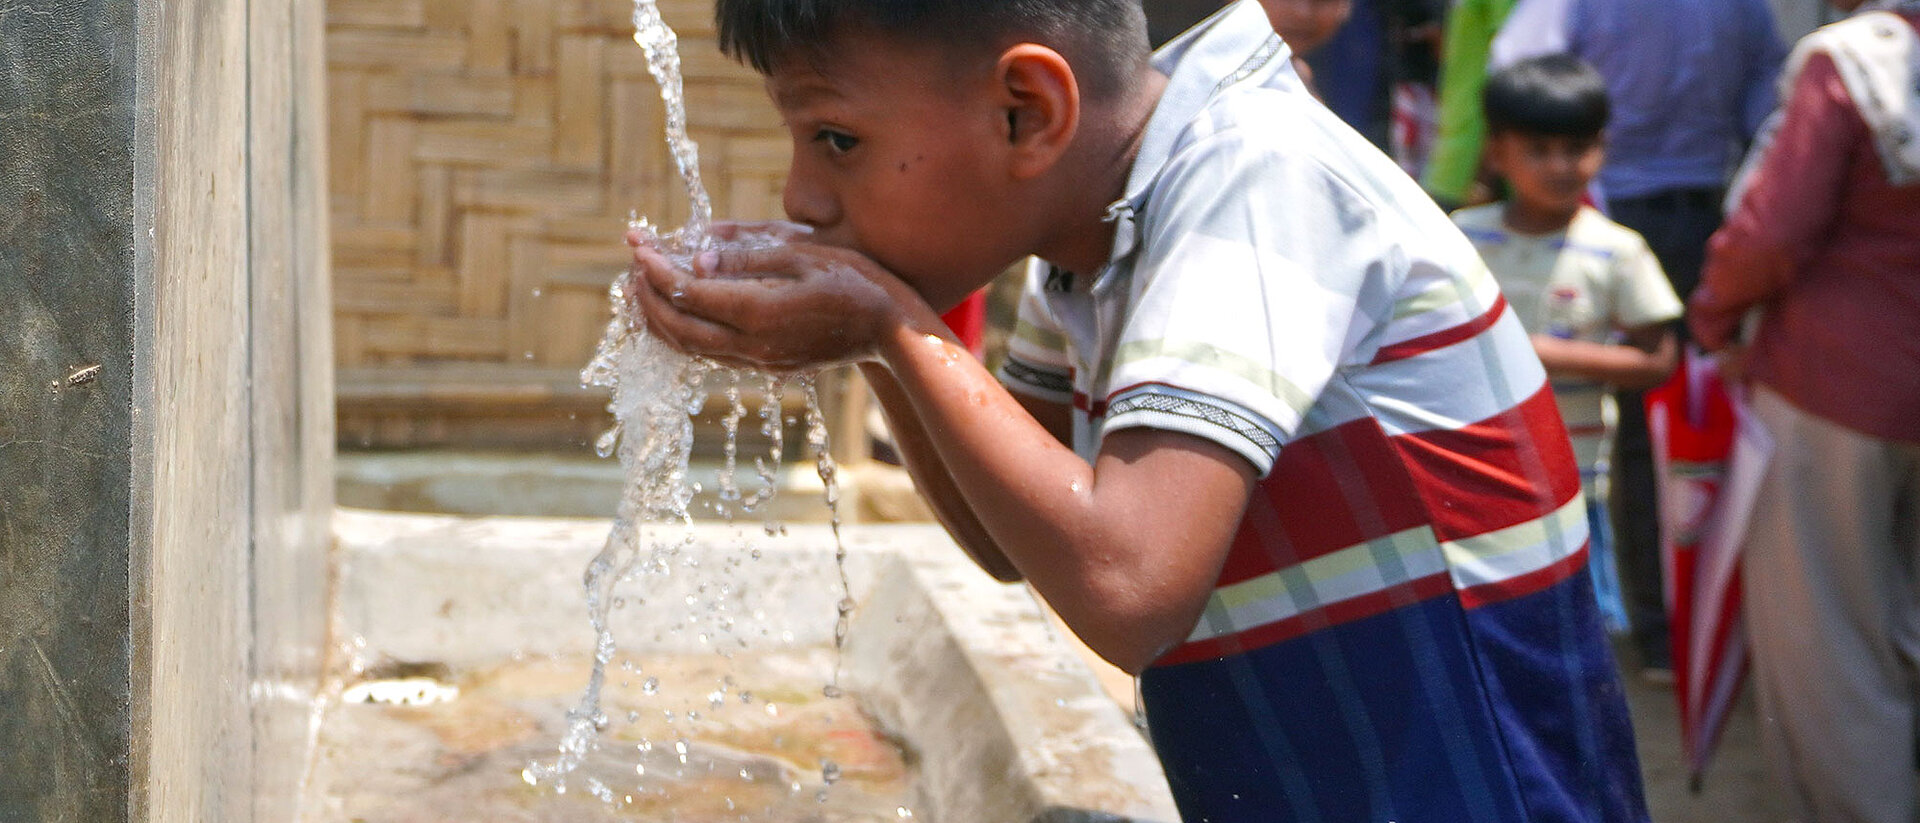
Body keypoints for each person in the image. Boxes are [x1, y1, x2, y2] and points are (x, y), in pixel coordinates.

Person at [628, 2, 1650, 819]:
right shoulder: (1090, 231)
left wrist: (893, 328)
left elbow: (1127, 585)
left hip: (1476, 782)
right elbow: (1008, 536)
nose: (803, 193)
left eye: (836, 137)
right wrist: (879, 338)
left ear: (1027, 109)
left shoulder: (1251, 179)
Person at [1492, 0, 1787, 680]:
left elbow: (1517, 74)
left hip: (1627, 223)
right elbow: (1764, 107)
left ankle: (1661, 627)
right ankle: (1673, 631)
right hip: (1678, 217)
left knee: (1649, 436)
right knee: (1675, 433)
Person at [1690, 1, 1920, 819]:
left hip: (1838, 386)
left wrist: (1714, 312)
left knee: (1832, 644)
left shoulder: (1850, 60)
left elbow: (1772, 228)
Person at [1451, 55, 1682, 635]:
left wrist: (1541, 353)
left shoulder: (1617, 250)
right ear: (1498, 151)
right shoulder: (1460, 237)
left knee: (1577, 623)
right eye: (1538, 149)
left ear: (1601, 148)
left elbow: (1658, 358)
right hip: (1475, 474)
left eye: (1575, 148)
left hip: (1576, 479)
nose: (1560, 166)